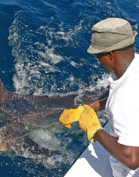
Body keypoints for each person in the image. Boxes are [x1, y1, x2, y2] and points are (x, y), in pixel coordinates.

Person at [59, 18, 139, 177]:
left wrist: (94, 129)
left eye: (98, 54)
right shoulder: (133, 66)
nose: (97, 59)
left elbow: (132, 158)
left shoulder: (126, 97)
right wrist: (85, 108)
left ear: (110, 54)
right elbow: (115, 90)